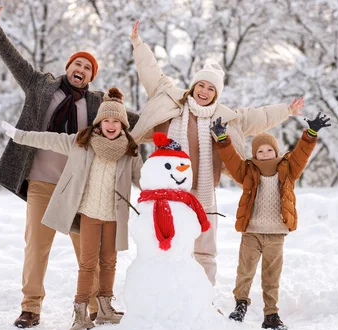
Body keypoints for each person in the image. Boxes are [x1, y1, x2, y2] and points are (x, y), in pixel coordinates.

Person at [0, 0, 136, 328]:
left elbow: (137, 122)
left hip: (79, 187)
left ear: (92, 76)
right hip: (40, 182)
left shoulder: (99, 104)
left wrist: (178, 115)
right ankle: (31, 307)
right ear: (68, 67)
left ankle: (96, 305)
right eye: (77, 64)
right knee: (37, 246)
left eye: (88, 68)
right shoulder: (40, 87)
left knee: (86, 248)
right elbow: (13, 60)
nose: (81, 69)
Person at [128, 20, 305, 286]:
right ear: (194, 85)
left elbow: (259, 116)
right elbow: (150, 70)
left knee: (205, 250)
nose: (204, 91)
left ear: (216, 94)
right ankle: (169, 294)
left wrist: (288, 111)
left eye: (211, 89)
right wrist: (138, 44)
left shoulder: (225, 118)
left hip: (204, 193)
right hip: (171, 192)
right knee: (170, 245)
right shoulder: (171, 101)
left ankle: (204, 299)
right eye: (202, 85)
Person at [2, 88, 143, 330]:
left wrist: (168, 185)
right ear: (99, 122)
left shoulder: (129, 151)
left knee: (109, 262)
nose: (111, 125)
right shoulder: (82, 142)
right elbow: (48, 139)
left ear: (123, 125)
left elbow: (143, 179)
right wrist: (19, 135)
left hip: (113, 216)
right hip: (88, 214)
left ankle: (105, 306)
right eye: (106, 120)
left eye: (116, 121)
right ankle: (79, 312)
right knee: (87, 263)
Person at [210, 113, 331, 330]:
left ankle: (271, 313)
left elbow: (302, 153)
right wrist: (222, 139)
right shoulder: (247, 170)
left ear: (276, 151)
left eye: (269, 150)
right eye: (260, 151)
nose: (265, 154)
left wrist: (310, 134)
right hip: (251, 231)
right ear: (254, 154)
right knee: (245, 270)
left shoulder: (288, 168)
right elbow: (231, 159)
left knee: (271, 274)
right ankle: (240, 305)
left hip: (276, 232)